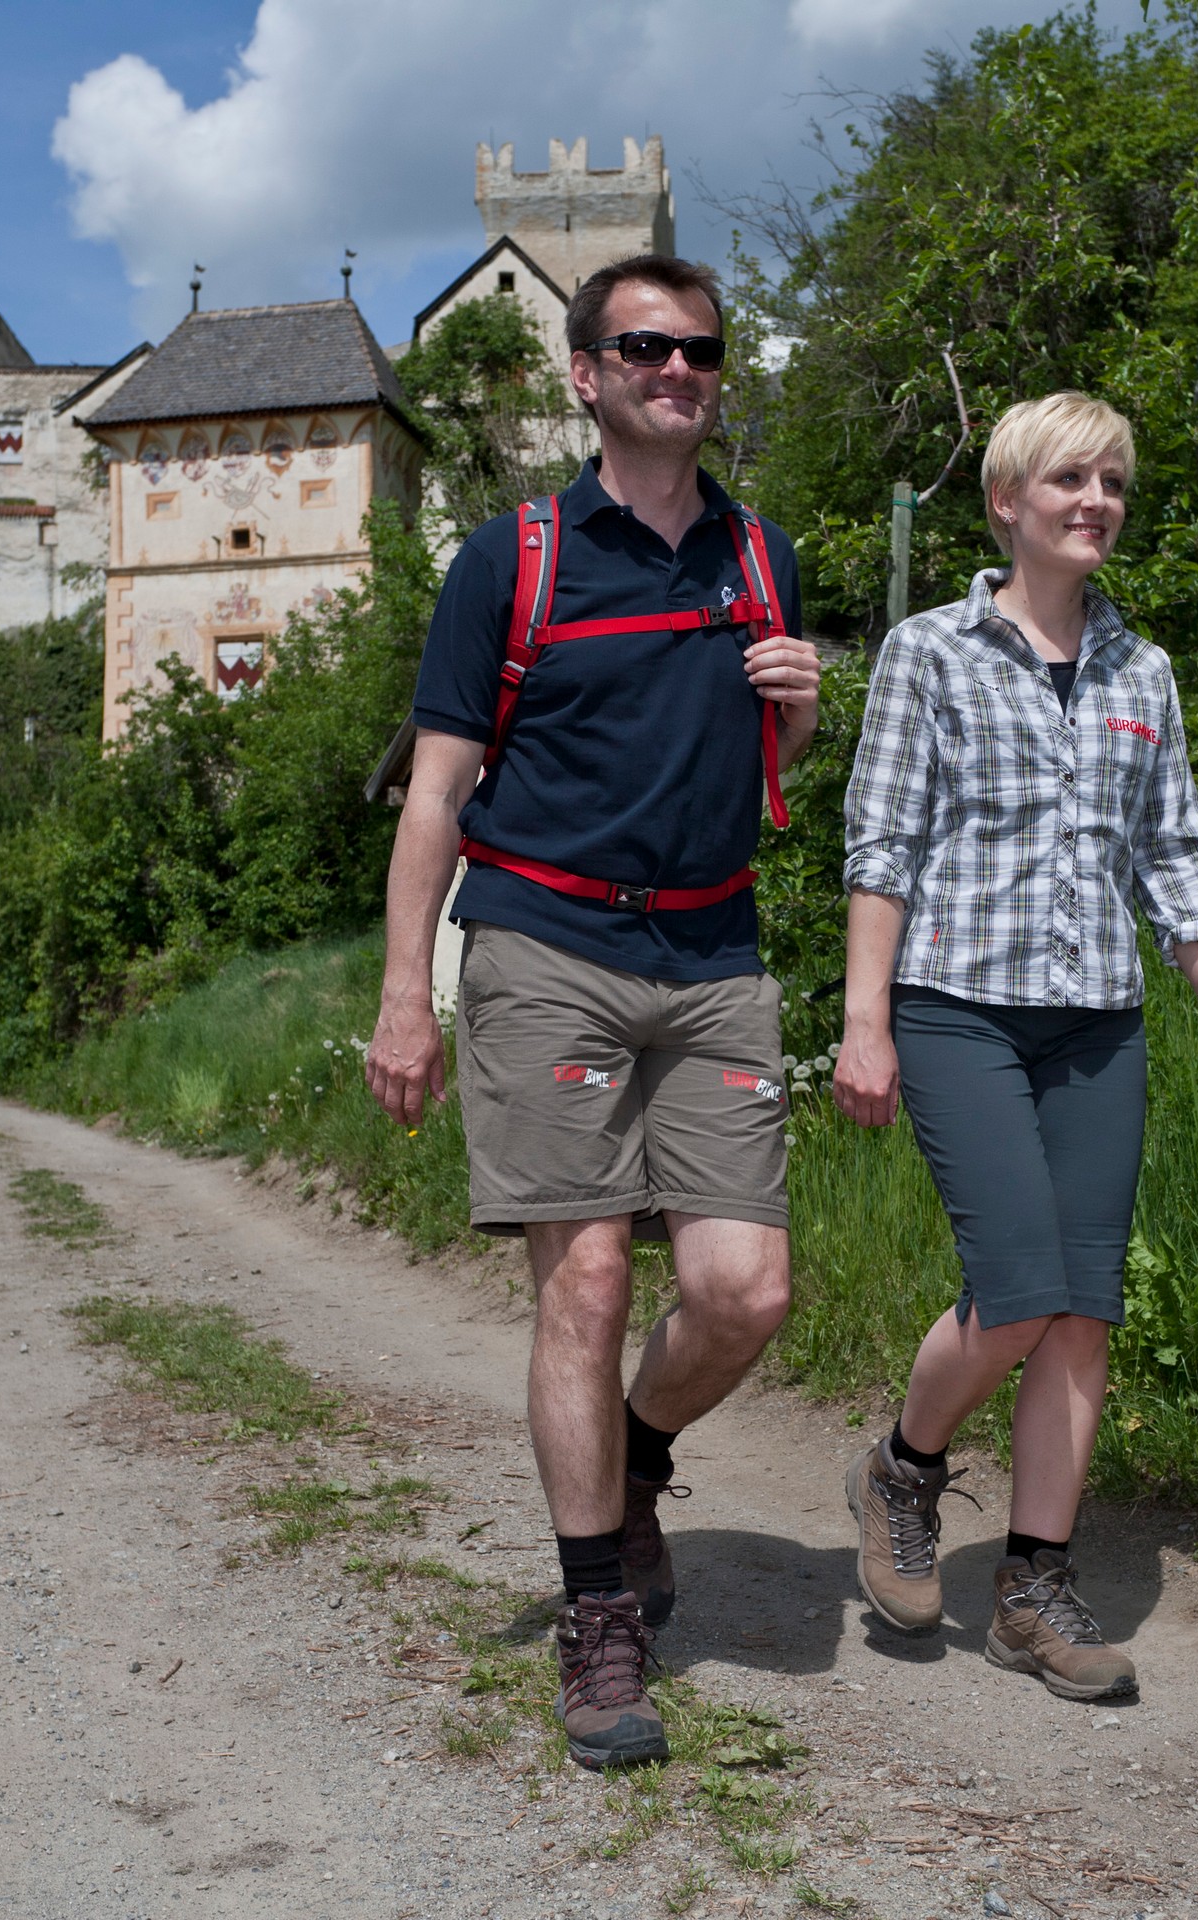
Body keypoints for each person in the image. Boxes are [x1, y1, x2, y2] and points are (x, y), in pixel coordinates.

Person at [365, 254, 822, 1769]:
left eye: (698, 350)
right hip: (544, 941)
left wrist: (801, 724)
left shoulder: (762, 557)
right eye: (644, 347)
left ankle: (631, 1463)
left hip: (715, 958)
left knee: (745, 1291)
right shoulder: (516, 558)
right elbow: (435, 794)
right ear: (586, 373)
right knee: (587, 1289)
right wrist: (403, 1002)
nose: (676, 370)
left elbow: (752, 770)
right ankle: (597, 1621)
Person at [832, 391, 1198, 1702]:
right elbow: (882, 845)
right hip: (957, 1005)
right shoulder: (932, 652)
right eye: (1069, 480)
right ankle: (906, 1469)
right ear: (1007, 503)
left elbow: (1171, 851)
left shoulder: (1146, 672)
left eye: (1113, 483)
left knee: (1084, 1311)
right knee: (1017, 1286)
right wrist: (863, 1020)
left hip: (1098, 1021)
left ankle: (1034, 1586)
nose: (1096, 502)